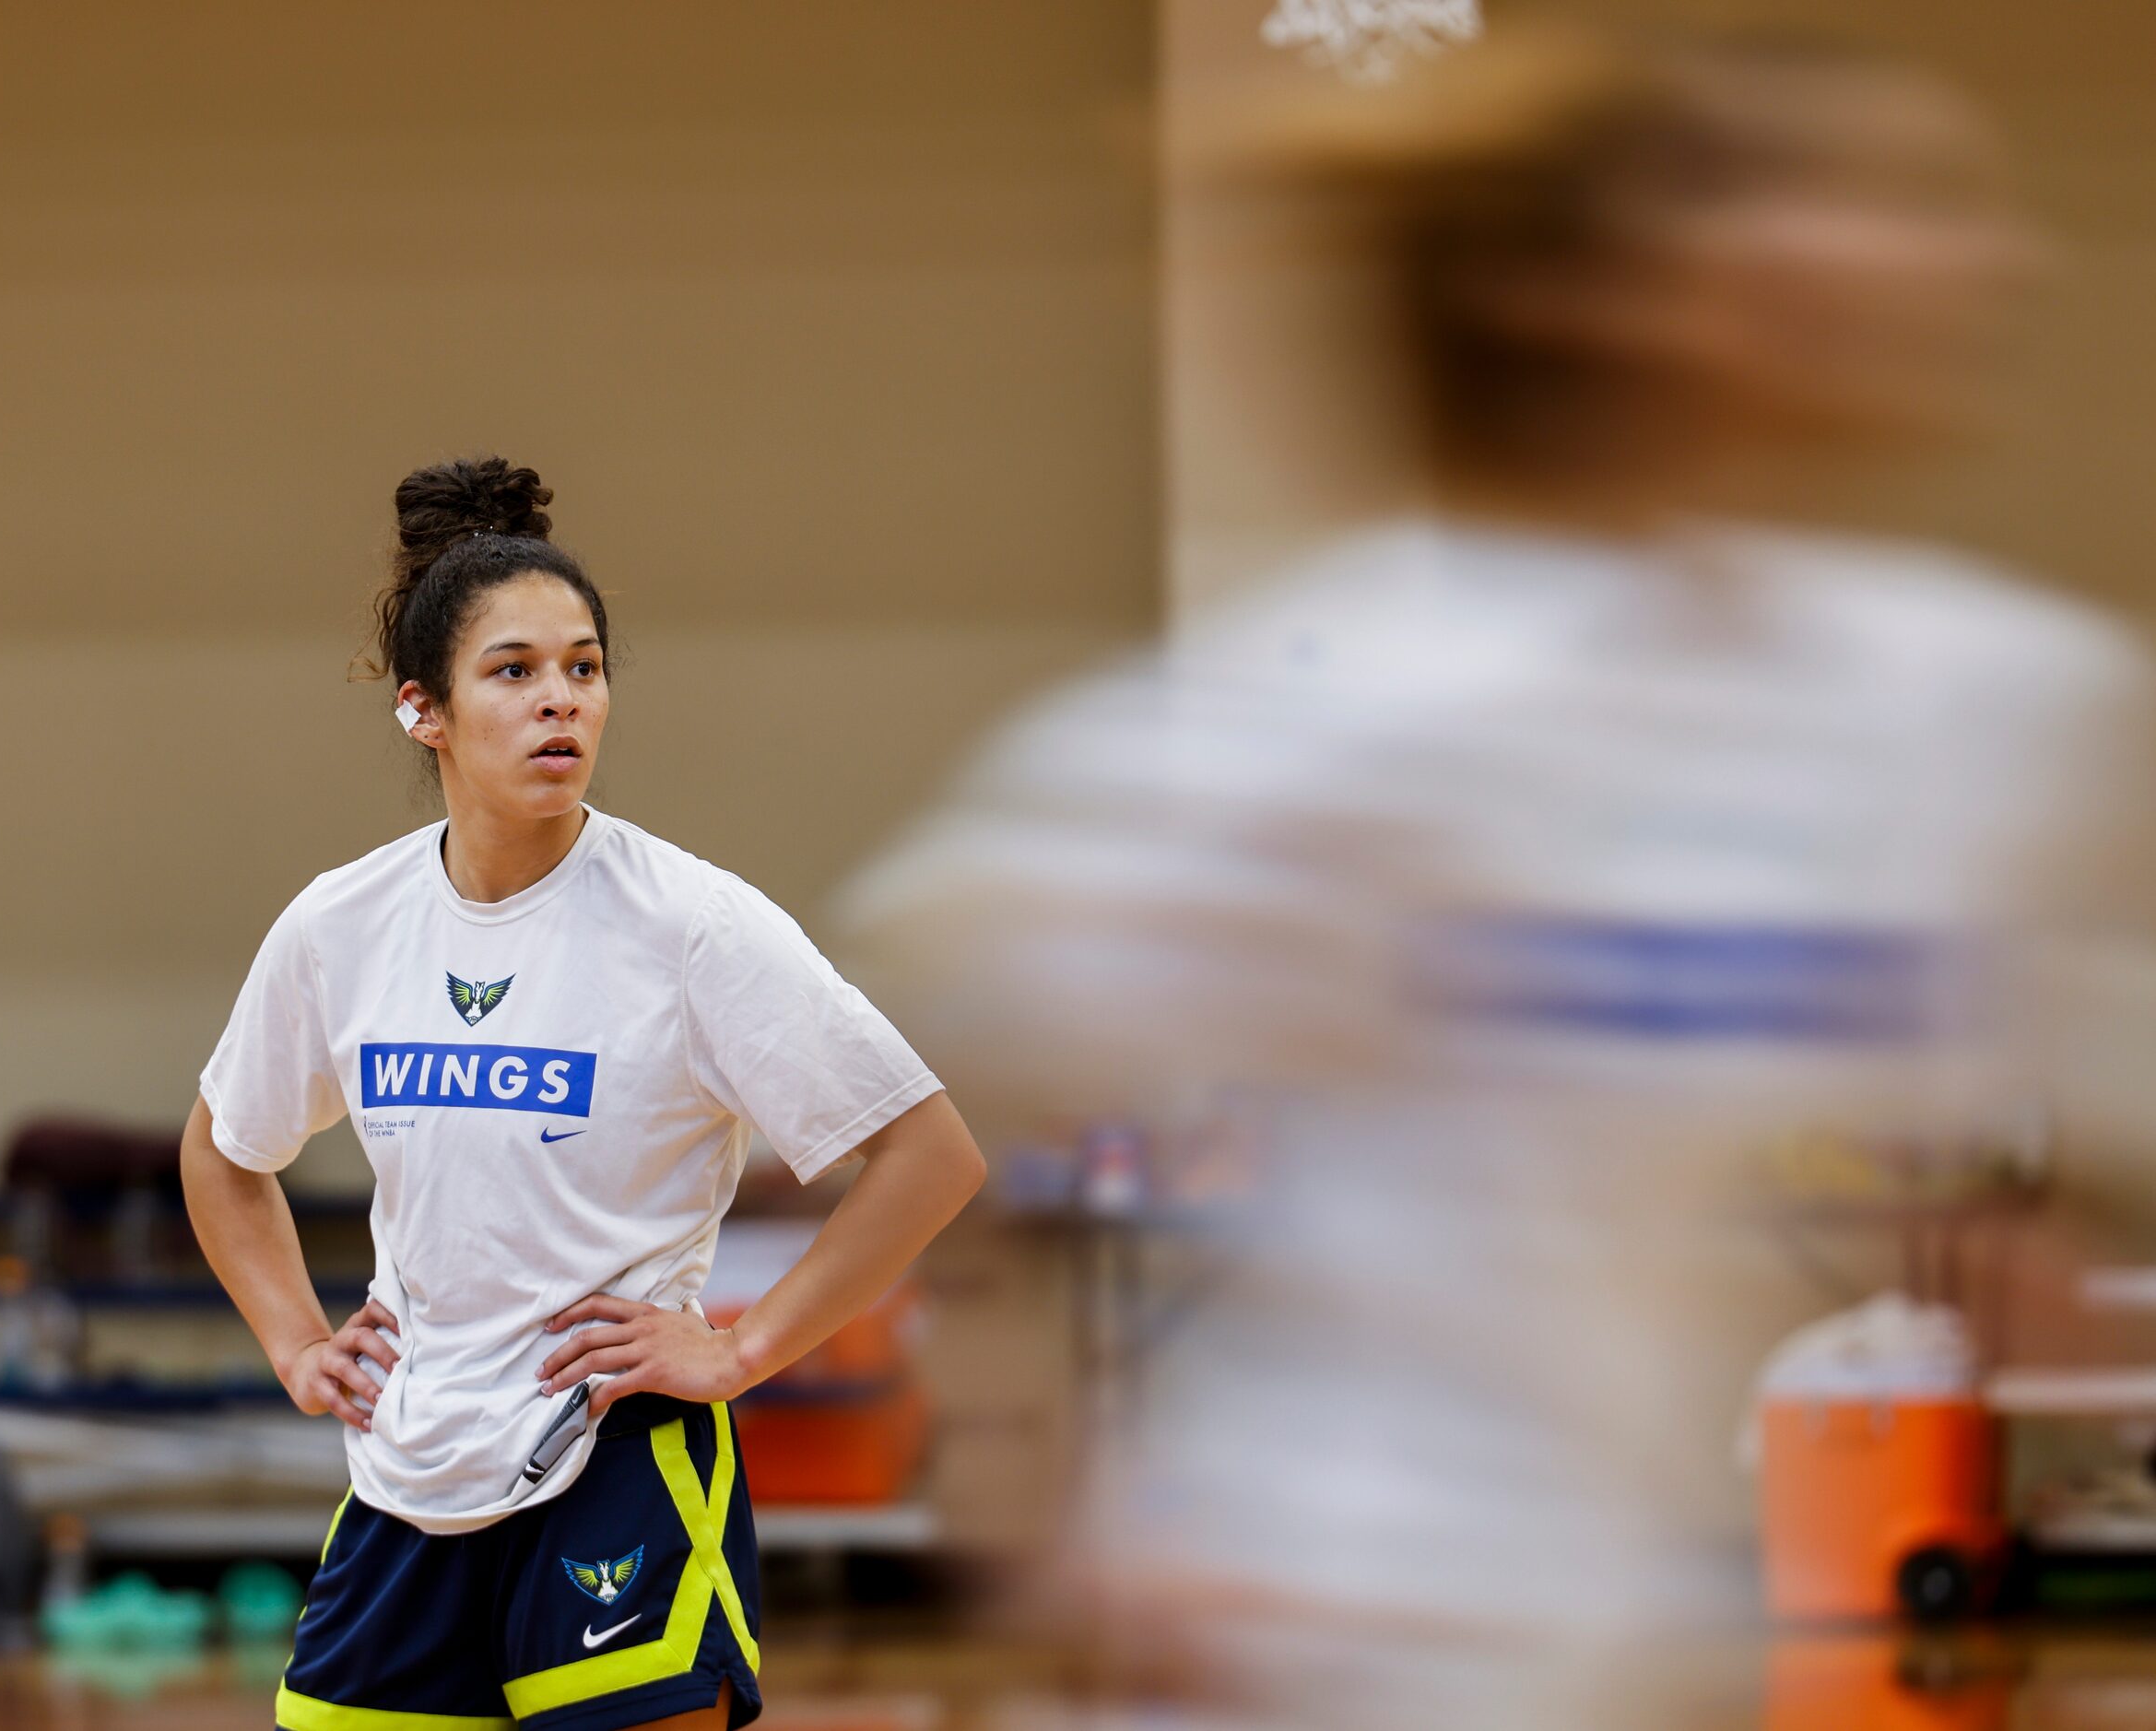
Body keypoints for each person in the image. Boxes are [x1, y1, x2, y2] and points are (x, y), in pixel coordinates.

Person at [839, 29, 2156, 1728]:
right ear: (1590, 285)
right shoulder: (1315, 715)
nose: (1976, 257)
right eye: (1868, 201)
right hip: (1329, 1631)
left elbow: (2040, 1133)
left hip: (1672, 1632)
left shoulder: (1979, 702)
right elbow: (910, 1103)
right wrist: (1040, 1497)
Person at [182, 455, 985, 1731]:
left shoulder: (694, 925)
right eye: (514, 671)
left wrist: (742, 1347)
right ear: (422, 708)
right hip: (409, 1474)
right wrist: (293, 1337)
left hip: (618, 1459)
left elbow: (930, 1156)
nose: (561, 699)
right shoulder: (341, 924)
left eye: (585, 666)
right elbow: (226, 1150)